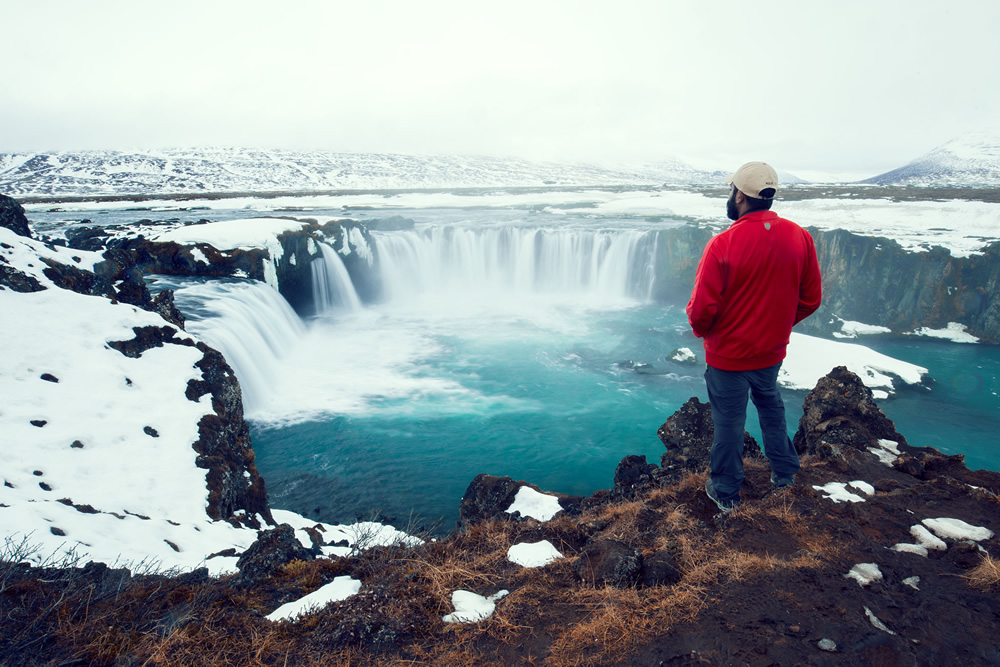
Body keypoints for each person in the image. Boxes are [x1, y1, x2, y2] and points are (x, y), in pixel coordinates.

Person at [686, 161, 822, 513]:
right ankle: (785, 475)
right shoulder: (799, 237)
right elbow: (811, 298)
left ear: (741, 196)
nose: (730, 197)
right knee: (772, 410)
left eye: (731, 191)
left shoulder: (723, 244)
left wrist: (707, 331)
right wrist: (778, 325)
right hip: (771, 353)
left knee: (728, 424)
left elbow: (702, 311)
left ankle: (726, 493)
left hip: (728, 357)